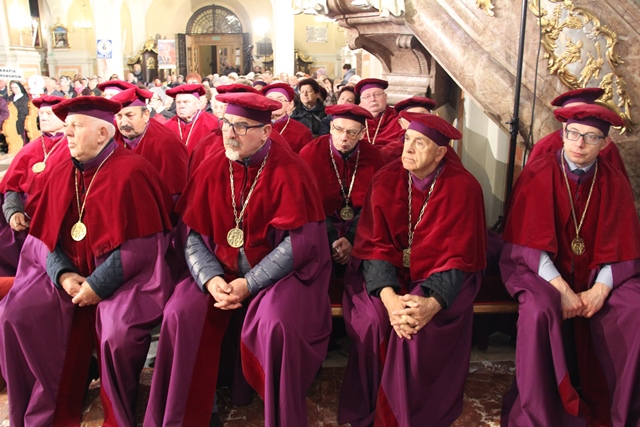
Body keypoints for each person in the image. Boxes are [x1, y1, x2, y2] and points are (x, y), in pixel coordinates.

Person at [145, 92, 332, 427]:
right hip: (218, 272)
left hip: (278, 278)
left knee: (276, 323)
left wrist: (250, 283)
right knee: (179, 312)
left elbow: (297, 245)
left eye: (242, 127)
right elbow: (191, 234)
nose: (230, 133)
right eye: (227, 123)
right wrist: (210, 278)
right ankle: (190, 413)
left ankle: (276, 413)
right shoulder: (211, 166)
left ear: (266, 132)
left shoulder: (292, 170)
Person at [0, 95, 174, 426]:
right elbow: (44, 236)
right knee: (15, 313)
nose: (66, 134)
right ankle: (51, 401)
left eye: (75, 127)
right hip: (67, 273)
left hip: (124, 277)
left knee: (117, 332)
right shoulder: (61, 169)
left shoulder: (133, 172)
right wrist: (63, 274)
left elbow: (142, 249)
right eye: (67, 127)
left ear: (102, 133)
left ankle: (117, 411)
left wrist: (97, 285)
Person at [339, 111, 486, 427]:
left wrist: (431, 304)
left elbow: (458, 258)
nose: (408, 148)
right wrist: (390, 299)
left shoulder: (464, 188)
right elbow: (373, 246)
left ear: (440, 152)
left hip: (441, 279)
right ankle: (371, 403)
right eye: (407, 139)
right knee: (374, 321)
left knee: (416, 329)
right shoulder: (385, 179)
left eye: (420, 143)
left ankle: (410, 414)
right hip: (385, 276)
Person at [500, 103, 640, 426]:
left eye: (591, 137)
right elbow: (527, 245)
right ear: (562, 134)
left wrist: (600, 290)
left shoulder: (615, 181)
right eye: (573, 133)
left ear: (605, 143)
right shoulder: (538, 173)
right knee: (538, 309)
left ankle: (617, 409)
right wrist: (562, 289)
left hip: (595, 275)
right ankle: (540, 411)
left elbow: (624, 248)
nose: (579, 143)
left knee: (633, 307)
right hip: (541, 272)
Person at [299, 104, 384, 304]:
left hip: (361, 228)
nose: (344, 137)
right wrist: (332, 239)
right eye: (338, 129)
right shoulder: (310, 153)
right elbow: (307, 204)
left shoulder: (373, 157)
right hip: (321, 226)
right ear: (330, 128)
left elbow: (375, 205)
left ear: (362, 134)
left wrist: (352, 239)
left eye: (352, 132)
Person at [0, 95, 68, 276]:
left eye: (49, 114)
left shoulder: (75, 146)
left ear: (64, 118)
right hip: (26, 219)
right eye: (41, 114)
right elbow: (11, 186)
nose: (43, 118)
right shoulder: (29, 149)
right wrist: (13, 211)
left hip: (59, 220)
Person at [526, 87, 628, 177]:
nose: (579, 144)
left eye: (582, 114)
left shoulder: (608, 148)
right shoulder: (545, 146)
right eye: (568, 114)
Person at [110, 87, 188, 201]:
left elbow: (174, 192)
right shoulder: (111, 138)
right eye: (119, 116)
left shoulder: (167, 142)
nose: (124, 122)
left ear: (146, 115)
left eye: (130, 115)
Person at [164, 83, 219, 154]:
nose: (181, 106)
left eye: (186, 102)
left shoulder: (214, 124)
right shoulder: (166, 127)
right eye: (178, 102)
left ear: (198, 104)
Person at [355, 78, 404, 156]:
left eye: (377, 95)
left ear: (385, 97)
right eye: (367, 96)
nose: (372, 99)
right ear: (361, 102)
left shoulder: (399, 118)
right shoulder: (355, 120)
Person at [262, 82, 313, 153]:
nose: (274, 102)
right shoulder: (254, 126)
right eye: (270, 99)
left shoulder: (302, 132)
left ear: (289, 105)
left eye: (280, 99)